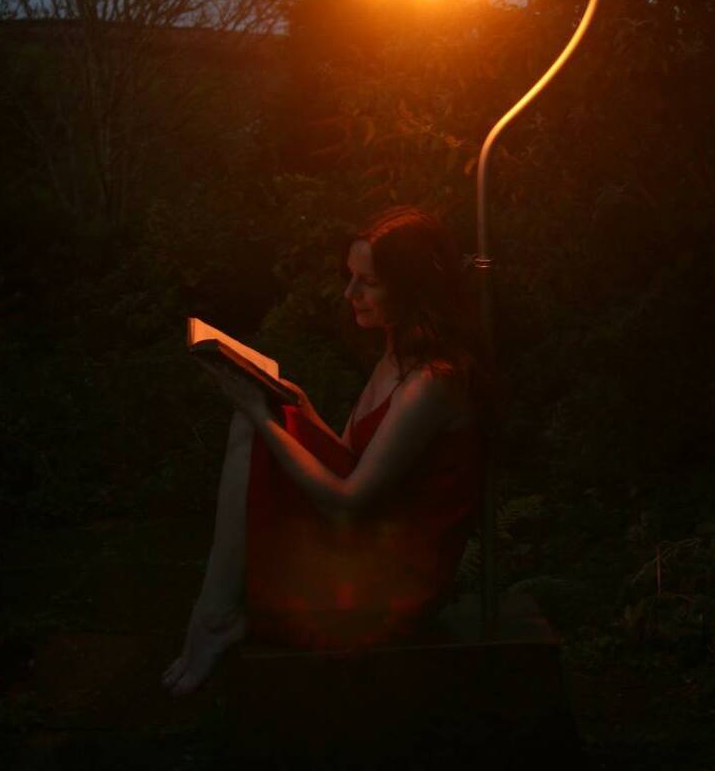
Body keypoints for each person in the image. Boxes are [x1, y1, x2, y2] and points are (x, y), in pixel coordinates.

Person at [162, 205, 487, 697]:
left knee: (256, 423)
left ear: (412, 288)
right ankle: (217, 612)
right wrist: (299, 405)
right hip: (370, 545)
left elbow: (346, 501)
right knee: (268, 414)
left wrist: (260, 415)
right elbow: (350, 457)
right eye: (350, 277)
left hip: (393, 587)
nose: (349, 293)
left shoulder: (434, 382)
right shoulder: (397, 354)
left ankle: (216, 613)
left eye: (368, 282)